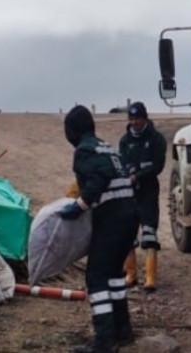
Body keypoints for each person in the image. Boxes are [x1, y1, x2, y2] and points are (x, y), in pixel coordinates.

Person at [60, 105, 138, 353]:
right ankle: (122, 331)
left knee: (96, 277)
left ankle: (104, 342)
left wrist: (79, 206)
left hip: (113, 219)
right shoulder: (106, 147)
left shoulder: (84, 150)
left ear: (72, 130)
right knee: (115, 275)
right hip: (129, 216)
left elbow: (100, 179)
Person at [118, 101, 168, 292]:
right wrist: (126, 176)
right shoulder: (125, 141)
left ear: (145, 118)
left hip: (148, 191)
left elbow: (158, 166)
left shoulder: (156, 139)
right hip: (129, 193)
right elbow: (121, 163)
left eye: (138, 119)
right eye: (131, 119)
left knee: (149, 234)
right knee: (128, 234)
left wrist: (138, 176)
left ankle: (150, 278)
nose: (135, 123)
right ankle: (131, 275)